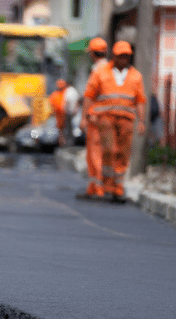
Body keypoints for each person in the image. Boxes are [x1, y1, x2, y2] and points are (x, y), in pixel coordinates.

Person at [83, 41, 147, 202]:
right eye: (121, 56)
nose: (124, 59)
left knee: (123, 153)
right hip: (106, 118)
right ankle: (106, 184)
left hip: (126, 119)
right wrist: (86, 116)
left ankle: (117, 186)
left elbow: (140, 100)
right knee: (109, 150)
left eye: (126, 56)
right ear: (114, 56)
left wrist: (142, 121)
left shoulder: (136, 76)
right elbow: (89, 95)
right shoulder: (101, 72)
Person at [77, 37, 109, 200]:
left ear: (92, 54)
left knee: (95, 153)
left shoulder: (97, 71)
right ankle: (98, 186)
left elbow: (89, 96)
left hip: (96, 118)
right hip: (109, 119)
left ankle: (97, 187)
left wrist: (83, 118)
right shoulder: (111, 70)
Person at [49, 79, 67, 147]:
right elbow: (52, 103)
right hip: (58, 114)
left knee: (64, 128)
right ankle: (60, 142)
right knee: (60, 129)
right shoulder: (55, 94)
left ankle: (63, 142)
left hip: (65, 114)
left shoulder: (65, 93)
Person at [63, 81, 80, 146]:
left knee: (68, 128)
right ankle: (72, 142)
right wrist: (76, 108)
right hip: (74, 111)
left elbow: (67, 101)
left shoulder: (68, 91)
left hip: (69, 112)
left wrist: (65, 110)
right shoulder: (74, 91)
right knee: (73, 127)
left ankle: (69, 143)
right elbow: (78, 100)